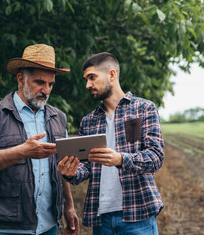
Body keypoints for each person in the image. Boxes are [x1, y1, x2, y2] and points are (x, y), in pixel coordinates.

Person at [0, 44, 79, 235]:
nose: (46, 90)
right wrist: (23, 151)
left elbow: (62, 167)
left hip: (48, 225)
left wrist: (68, 207)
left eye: (50, 84)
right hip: (5, 227)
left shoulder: (59, 117)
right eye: (39, 82)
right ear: (21, 79)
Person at [57, 52, 164, 234]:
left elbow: (156, 156)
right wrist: (72, 172)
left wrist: (121, 159)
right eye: (86, 79)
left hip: (139, 214)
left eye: (92, 77)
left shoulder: (144, 108)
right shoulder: (88, 121)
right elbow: (87, 168)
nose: (87, 85)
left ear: (112, 75)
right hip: (102, 218)